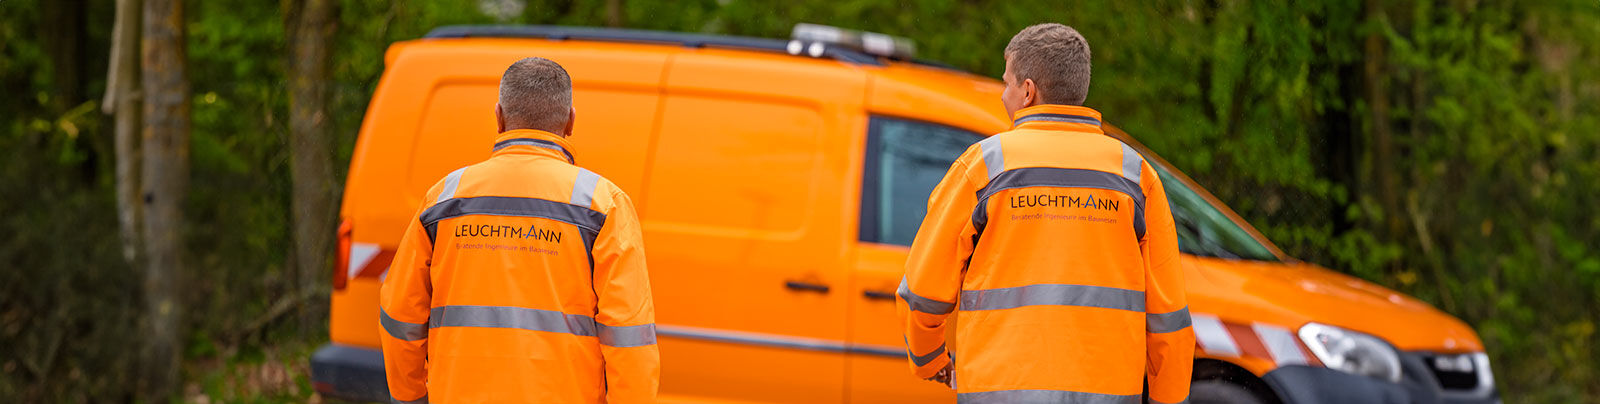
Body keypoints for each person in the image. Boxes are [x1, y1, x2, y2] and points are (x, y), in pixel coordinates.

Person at [896, 23, 1193, 403]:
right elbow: (1170, 317)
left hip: (1000, 392)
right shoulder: (1133, 175)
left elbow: (923, 286)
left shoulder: (985, 166)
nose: (1003, 94)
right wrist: (1168, 398)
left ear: (1028, 91)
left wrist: (928, 357)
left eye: (1006, 83)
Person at [379, 57, 659, 403]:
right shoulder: (603, 205)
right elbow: (629, 335)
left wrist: (409, 395)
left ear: (498, 117)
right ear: (570, 121)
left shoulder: (444, 199)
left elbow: (400, 312)